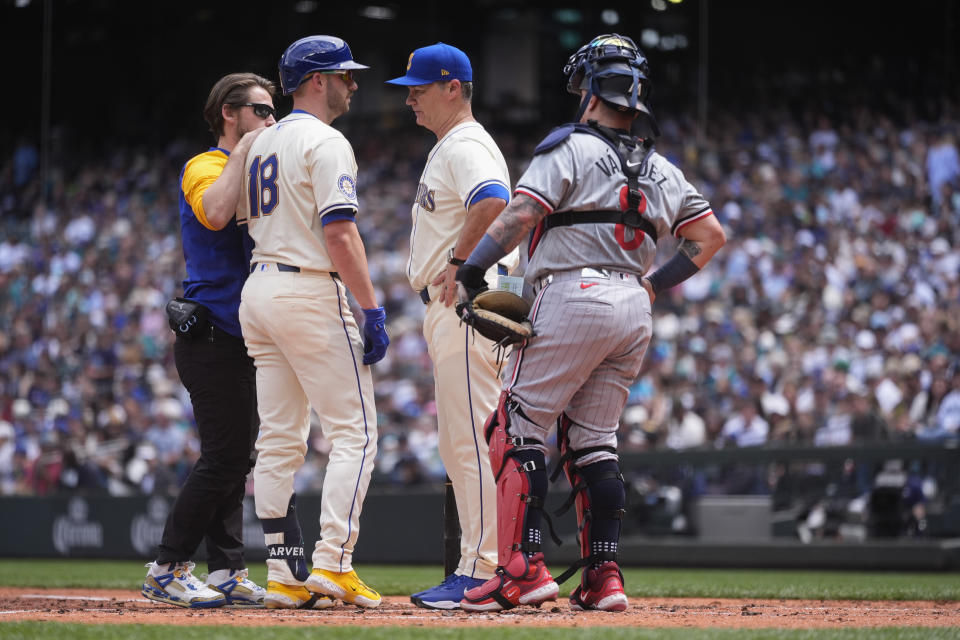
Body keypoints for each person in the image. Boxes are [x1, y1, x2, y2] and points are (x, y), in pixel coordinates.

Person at [455, 34, 726, 612]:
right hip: (634, 303)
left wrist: (472, 271)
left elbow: (523, 212)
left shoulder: (568, 148)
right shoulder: (662, 167)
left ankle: (522, 569)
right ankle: (605, 577)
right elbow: (709, 237)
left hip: (574, 290)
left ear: (586, 87)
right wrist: (652, 284)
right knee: (593, 443)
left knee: (514, 427)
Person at [237, 35, 389, 611]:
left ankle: (280, 572)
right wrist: (369, 306)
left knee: (278, 438)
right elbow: (339, 233)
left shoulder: (259, 142)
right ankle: (333, 563)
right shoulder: (326, 141)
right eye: (345, 75)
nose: (353, 84)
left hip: (260, 286)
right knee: (356, 432)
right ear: (317, 80)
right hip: (306, 286)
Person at [385, 42, 518, 610]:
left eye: (419, 86)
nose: (409, 96)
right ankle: (489, 563)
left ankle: (482, 568)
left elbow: (494, 199)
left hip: (464, 304)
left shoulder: (465, 143)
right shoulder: (452, 144)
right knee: (465, 439)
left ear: (453, 88)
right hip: (463, 305)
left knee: (469, 441)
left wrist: (462, 262)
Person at [142, 72, 277, 608]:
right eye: (262, 111)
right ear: (230, 112)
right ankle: (167, 566)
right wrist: (245, 149)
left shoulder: (257, 165)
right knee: (224, 457)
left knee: (236, 458)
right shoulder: (207, 165)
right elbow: (216, 212)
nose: (272, 120)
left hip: (242, 332)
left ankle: (226, 571)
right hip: (213, 330)